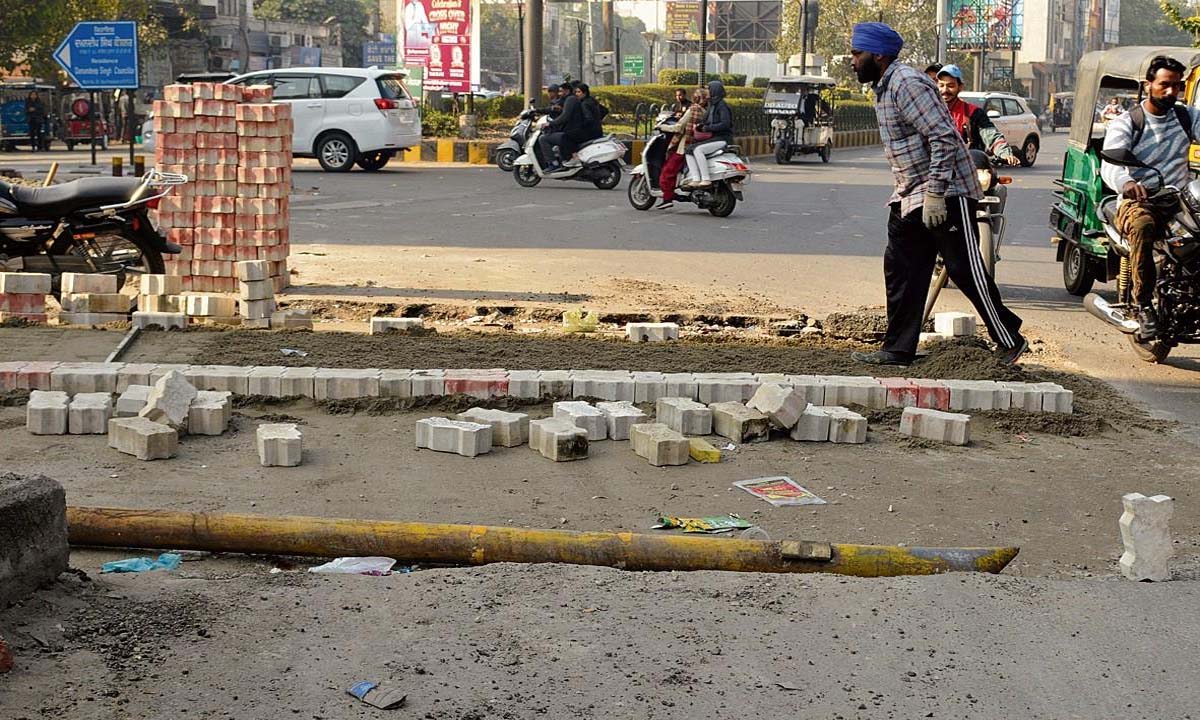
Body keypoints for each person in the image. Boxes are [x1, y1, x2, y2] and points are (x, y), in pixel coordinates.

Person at [848, 22, 1027, 366]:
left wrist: (935, 194)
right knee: (900, 266)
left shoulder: (906, 84)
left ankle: (1010, 339)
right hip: (910, 193)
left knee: (963, 267)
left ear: (879, 55)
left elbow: (944, 138)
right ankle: (898, 349)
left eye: (858, 53)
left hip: (947, 189)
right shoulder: (884, 86)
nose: (852, 60)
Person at [1101, 55, 1200, 339]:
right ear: (1149, 85)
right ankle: (1143, 304)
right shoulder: (1128, 121)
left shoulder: (1187, 116)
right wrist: (1127, 182)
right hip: (1141, 201)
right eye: (1165, 85)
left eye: (1177, 86)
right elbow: (1110, 164)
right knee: (1143, 227)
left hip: (1180, 200)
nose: (1171, 92)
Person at [936, 64, 1021, 166]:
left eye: (950, 86)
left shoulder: (973, 112)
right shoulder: (927, 111)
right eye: (941, 85)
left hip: (967, 168)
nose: (945, 90)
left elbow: (992, 136)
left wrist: (1005, 154)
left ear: (960, 87)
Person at [655, 87, 706, 210]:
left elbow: (678, 127)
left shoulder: (692, 109)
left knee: (667, 173)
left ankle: (667, 198)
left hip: (685, 146)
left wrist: (662, 127)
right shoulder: (705, 111)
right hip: (699, 145)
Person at [686, 80, 733, 188]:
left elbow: (725, 124)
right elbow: (705, 120)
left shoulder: (722, 106)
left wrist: (708, 128)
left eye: (709, 89)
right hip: (714, 137)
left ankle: (706, 179)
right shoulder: (712, 105)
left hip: (722, 138)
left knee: (698, 150)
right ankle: (696, 179)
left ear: (714, 91)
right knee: (689, 150)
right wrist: (699, 126)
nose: (707, 91)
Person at [539, 82, 589, 172]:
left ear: (567, 91)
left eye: (561, 91)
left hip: (573, 131)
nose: (559, 93)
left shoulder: (570, 100)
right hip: (574, 130)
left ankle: (553, 164)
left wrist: (551, 124)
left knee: (543, 139)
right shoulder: (568, 99)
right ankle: (563, 160)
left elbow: (565, 116)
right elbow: (555, 109)